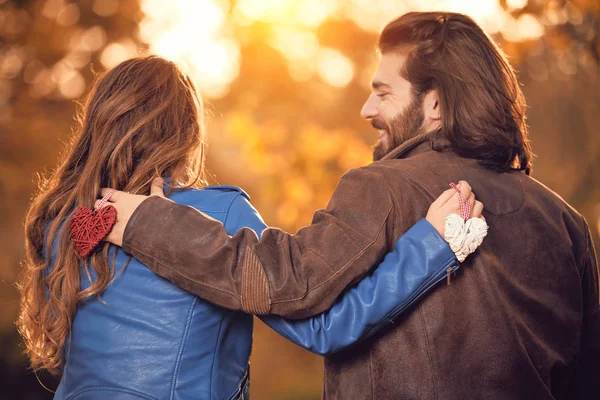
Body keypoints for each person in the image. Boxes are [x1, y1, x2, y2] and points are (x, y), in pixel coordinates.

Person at [102, 12, 600, 399]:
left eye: (383, 93)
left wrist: (149, 222)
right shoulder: (565, 222)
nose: (367, 110)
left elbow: (288, 284)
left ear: (437, 105)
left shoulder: (381, 187)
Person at [17, 56, 485, 400]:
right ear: (185, 134)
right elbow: (323, 325)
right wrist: (433, 244)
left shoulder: (65, 224)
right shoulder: (216, 215)